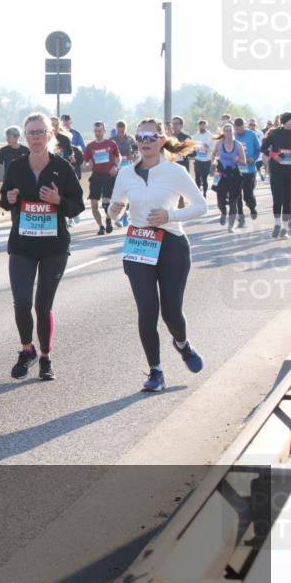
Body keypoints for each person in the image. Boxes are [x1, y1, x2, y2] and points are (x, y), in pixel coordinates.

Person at [108, 119, 206, 392]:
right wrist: (114, 212)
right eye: (141, 136)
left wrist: (169, 215)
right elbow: (114, 210)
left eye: (152, 136)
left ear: (162, 139)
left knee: (171, 312)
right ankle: (156, 371)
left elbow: (201, 206)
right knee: (147, 310)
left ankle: (182, 344)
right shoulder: (126, 173)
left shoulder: (174, 171)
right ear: (136, 140)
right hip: (140, 244)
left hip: (172, 244)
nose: (145, 141)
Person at [0, 113, 85, 381]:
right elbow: (4, 199)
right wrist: (10, 198)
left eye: (40, 132)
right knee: (22, 302)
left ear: (50, 135)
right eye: (31, 133)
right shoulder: (15, 166)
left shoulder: (62, 167)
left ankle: (46, 357)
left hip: (54, 247)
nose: (35, 137)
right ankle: (28, 350)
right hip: (23, 244)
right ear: (25, 137)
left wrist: (59, 200)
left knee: (42, 305)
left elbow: (77, 205)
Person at [82, 121, 121, 235]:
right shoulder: (90, 146)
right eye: (95, 131)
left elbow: (118, 157)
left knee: (106, 203)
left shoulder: (111, 144)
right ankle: (101, 226)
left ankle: (108, 219)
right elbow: (85, 162)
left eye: (100, 131)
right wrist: (87, 166)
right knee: (94, 205)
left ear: (104, 130)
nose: (98, 133)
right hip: (96, 177)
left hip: (109, 176)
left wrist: (115, 166)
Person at [211, 122, 248, 231]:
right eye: (226, 131)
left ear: (233, 132)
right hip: (221, 174)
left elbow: (244, 162)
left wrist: (237, 160)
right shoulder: (219, 144)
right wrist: (213, 162)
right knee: (220, 201)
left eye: (230, 130)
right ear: (223, 132)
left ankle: (231, 226)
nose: (228, 133)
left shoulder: (238, 145)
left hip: (234, 175)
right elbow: (213, 154)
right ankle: (223, 212)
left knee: (233, 201)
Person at [261, 111, 291, 238]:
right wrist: (274, 155)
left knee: (288, 201)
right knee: (278, 199)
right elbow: (263, 148)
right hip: (277, 171)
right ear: (285, 121)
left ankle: (284, 228)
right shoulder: (275, 133)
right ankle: (277, 224)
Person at [233, 117, 261, 225]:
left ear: (244, 126)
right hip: (236, 170)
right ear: (235, 127)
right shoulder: (232, 136)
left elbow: (258, 150)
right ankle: (241, 218)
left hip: (249, 169)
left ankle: (252, 207)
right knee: (237, 195)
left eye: (241, 129)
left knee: (247, 195)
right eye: (237, 129)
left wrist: (253, 158)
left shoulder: (252, 135)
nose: (239, 131)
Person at [191, 119, 215, 196]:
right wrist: (195, 148)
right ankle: (198, 192)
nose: (202, 127)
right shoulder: (195, 136)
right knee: (197, 177)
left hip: (207, 160)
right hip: (198, 159)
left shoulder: (210, 136)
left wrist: (208, 147)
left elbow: (214, 147)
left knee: (204, 178)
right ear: (198, 126)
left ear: (206, 126)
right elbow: (192, 146)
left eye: (203, 125)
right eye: (200, 125)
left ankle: (204, 193)